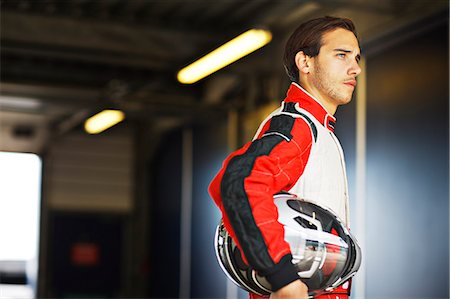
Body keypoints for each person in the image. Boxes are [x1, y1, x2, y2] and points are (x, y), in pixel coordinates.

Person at [209, 16, 361, 299]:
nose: (356, 68)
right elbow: (240, 183)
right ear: (305, 62)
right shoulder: (297, 126)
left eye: (356, 57)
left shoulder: (320, 130)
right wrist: (282, 279)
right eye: (341, 55)